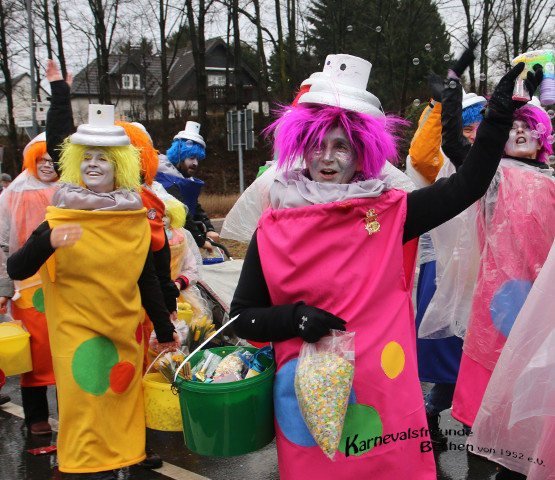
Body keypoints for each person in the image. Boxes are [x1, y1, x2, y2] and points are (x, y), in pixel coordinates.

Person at [229, 54, 542, 479]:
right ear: (302, 147)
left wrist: (498, 119)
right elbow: (243, 317)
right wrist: (296, 318)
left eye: (341, 146)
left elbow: (467, 185)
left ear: (360, 152)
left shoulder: (391, 214)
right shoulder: (272, 227)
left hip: (386, 404)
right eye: (318, 144)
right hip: (311, 406)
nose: (327, 157)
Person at [7, 104, 179, 479]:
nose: (93, 165)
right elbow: (17, 267)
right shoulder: (62, 213)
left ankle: (115, 464)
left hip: (123, 334)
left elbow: (147, 280)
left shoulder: (134, 218)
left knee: (119, 414)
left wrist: (165, 331)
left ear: (121, 166)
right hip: (77, 338)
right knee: (86, 419)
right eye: (86, 157)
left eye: (103, 158)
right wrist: (49, 241)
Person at [451, 99, 555, 432]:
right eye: (512, 127)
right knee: (494, 356)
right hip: (500, 293)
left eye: (528, 126)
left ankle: (525, 431)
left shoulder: (552, 181)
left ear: (542, 135)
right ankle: (485, 428)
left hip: (543, 291)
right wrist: (449, 104)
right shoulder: (492, 175)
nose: (520, 131)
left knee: (534, 361)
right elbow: (457, 150)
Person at [406, 45, 487, 446]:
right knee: (450, 350)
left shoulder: (493, 161)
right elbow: (421, 152)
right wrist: (440, 106)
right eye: (467, 127)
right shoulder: (438, 162)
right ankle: (433, 414)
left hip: (485, 270)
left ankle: (474, 421)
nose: (474, 134)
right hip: (445, 268)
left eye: (479, 126)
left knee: (479, 350)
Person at [0, 132, 59, 435]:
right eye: (41, 160)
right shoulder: (13, 193)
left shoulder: (70, 190)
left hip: (64, 285)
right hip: (27, 287)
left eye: (52, 160)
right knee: (34, 351)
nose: (47, 165)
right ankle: (36, 416)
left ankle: (73, 414)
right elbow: (2, 244)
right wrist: (4, 287)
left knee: (68, 349)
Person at [155, 122, 220, 251]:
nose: (195, 163)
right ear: (178, 156)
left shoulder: (184, 179)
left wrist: (209, 228)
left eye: (197, 159)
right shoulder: (166, 179)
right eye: (191, 158)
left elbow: (195, 207)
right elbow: (183, 212)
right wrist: (201, 241)